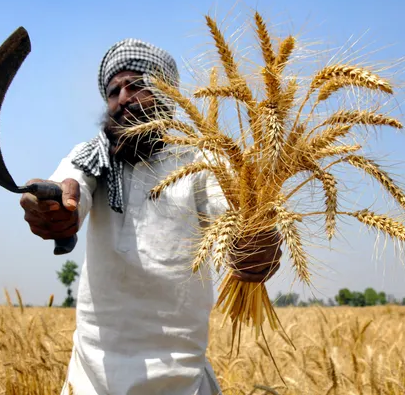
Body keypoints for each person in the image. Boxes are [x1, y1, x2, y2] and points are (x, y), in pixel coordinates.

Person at [19, 38, 282, 395]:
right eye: (113, 91)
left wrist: (251, 246)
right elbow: (69, 189)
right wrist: (51, 207)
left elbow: (233, 225)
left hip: (180, 379)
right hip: (92, 379)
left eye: (138, 86)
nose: (123, 98)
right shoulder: (91, 158)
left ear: (169, 97)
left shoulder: (201, 161)